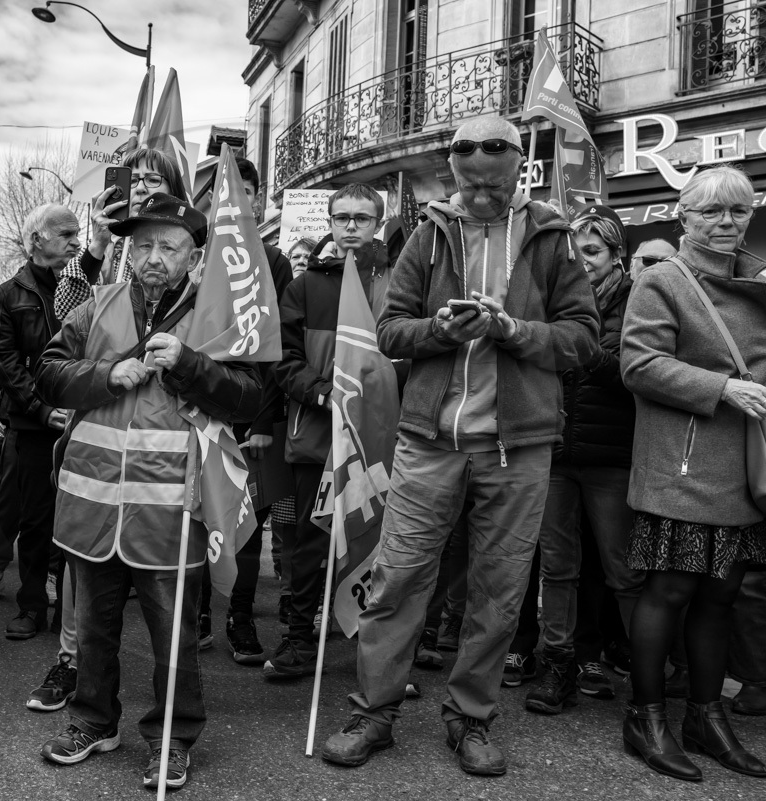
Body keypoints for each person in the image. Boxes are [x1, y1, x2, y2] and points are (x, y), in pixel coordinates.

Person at [320, 116, 599, 777]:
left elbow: (584, 339)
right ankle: (373, 713)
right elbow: (390, 332)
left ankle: (470, 719)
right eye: (466, 177)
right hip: (428, 442)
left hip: (519, 446)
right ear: (451, 169)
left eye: (491, 179)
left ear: (516, 169)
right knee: (396, 581)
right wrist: (441, 331)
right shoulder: (427, 232)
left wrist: (511, 328)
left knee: (499, 594)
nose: (478, 191)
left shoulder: (552, 237)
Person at [35, 193, 260, 791]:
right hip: (95, 499)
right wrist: (105, 374)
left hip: (170, 503)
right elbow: (49, 372)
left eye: (167, 246)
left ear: (196, 254)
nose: (151, 257)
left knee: (173, 630)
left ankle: (172, 736)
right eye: (141, 245)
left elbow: (250, 398)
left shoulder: (219, 314)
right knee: (94, 624)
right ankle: (93, 721)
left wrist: (188, 363)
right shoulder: (97, 303)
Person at [618, 165, 766, 782]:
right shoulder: (661, 281)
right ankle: (646, 718)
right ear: (685, 216)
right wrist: (725, 388)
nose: (727, 223)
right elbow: (639, 365)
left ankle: (705, 715)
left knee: (721, 595)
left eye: (737, 211)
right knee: (671, 591)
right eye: (712, 212)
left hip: (743, 466)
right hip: (681, 463)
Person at [269, 183, 393, 680]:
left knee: (379, 545)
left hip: (379, 439)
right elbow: (283, 358)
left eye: (361, 218)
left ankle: (379, 650)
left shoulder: (398, 280)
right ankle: (300, 639)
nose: (350, 228)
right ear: (330, 221)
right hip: (316, 439)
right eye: (341, 218)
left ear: (377, 222)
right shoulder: (304, 287)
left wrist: (376, 395)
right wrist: (324, 393)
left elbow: (409, 354)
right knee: (308, 544)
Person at [523, 204, 642, 714]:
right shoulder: (555, 297)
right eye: (575, 250)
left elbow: (640, 374)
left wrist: (585, 349)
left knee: (622, 569)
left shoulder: (638, 300)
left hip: (611, 456)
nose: (582, 260)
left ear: (617, 255)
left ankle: (648, 675)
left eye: (592, 250)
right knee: (558, 567)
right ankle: (558, 665)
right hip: (555, 450)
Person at [196, 157, 293, 662]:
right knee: (196, 518)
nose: (234, 198)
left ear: (257, 198)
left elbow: (275, 349)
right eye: (221, 192)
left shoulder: (273, 262)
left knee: (248, 525)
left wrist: (260, 423)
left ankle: (239, 618)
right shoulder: (193, 253)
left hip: (250, 415)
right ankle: (196, 618)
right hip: (197, 412)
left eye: (246, 190)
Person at [0, 204, 95, 640]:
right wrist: (43, 410)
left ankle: (73, 609)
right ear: (36, 240)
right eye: (66, 234)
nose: (75, 241)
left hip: (80, 419)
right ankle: (30, 606)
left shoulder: (84, 287)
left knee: (78, 517)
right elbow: (7, 365)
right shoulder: (8, 295)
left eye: (77, 234)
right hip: (33, 426)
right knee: (34, 520)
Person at [52, 147, 188, 321]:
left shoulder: (193, 250)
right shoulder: (107, 248)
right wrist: (98, 245)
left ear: (173, 192)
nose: (140, 188)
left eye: (152, 180)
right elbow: (66, 313)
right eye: (132, 181)